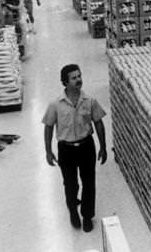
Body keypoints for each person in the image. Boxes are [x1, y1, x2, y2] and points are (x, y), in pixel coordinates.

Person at [42, 64, 108, 231]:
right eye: (74, 78)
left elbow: (98, 123)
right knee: (70, 185)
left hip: (87, 146)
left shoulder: (89, 101)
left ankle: (87, 216)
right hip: (66, 149)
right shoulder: (55, 104)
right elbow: (48, 127)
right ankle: (73, 210)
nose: (78, 80)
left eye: (79, 76)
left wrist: (103, 147)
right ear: (65, 82)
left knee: (89, 183)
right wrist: (48, 151)